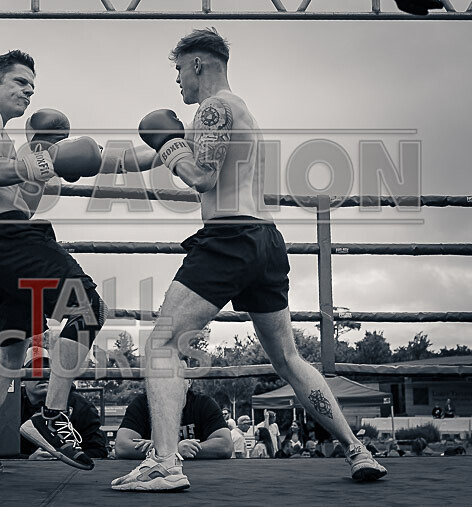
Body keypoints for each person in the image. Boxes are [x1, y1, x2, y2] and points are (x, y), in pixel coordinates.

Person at [110, 28, 386, 491]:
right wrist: (84, 159)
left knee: (161, 345)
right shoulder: (239, 112)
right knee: (288, 358)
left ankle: (164, 463)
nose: (177, 80)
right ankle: (358, 450)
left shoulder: (214, 108)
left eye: (179, 69)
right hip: (264, 241)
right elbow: (158, 152)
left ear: (198, 64)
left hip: (229, 237)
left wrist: (173, 148)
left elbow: (200, 175)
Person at [0, 49, 104, 479]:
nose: (28, 92)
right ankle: (52, 416)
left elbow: (20, 203)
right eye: (20, 83)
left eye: (33, 87)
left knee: (12, 351)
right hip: (5, 240)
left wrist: (40, 160)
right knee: (86, 307)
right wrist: (45, 158)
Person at [20, 348, 107, 460]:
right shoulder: (10, 407)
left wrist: (65, 457)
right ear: (22, 378)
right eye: (35, 370)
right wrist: (28, 459)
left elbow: (98, 450)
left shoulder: (80, 405)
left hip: (69, 471)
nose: (42, 375)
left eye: (48, 370)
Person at [115, 378, 232, 461]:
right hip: (154, 476)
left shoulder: (204, 404)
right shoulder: (141, 404)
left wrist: (160, 451)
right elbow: (121, 446)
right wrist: (174, 450)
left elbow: (225, 445)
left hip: (199, 476)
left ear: (189, 381)